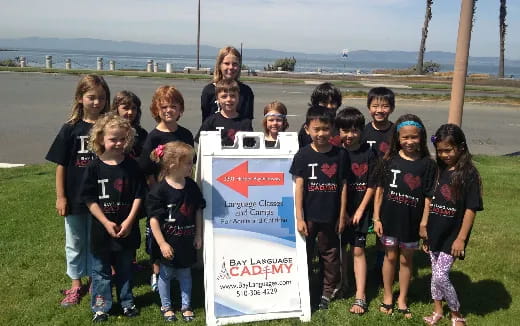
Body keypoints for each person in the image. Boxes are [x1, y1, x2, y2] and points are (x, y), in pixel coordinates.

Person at [45, 74, 110, 306]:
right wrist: (61, 196)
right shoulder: (70, 129)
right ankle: (76, 284)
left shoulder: (108, 128)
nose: (96, 102)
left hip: (101, 199)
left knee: (96, 240)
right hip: (74, 198)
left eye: (101, 98)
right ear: (80, 98)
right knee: (75, 241)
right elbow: (61, 165)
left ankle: (96, 279)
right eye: (91, 97)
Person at [80, 114, 145, 322]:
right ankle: (101, 306)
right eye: (113, 139)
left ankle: (127, 303)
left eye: (122, 139)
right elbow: (89, 199)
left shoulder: (132, 166)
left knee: (125, 268)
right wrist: (106, 222)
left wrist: (129, 221)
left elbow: (139, 195)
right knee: (101, 271)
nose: (118, 143)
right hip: (102, 230)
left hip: (126, 228)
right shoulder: (94, 167)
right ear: (101, 139)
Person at [373, 114, 436, 319]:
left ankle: (403, 299)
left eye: (414, 137)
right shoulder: (389, 160)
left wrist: (424, 223)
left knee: (407, 260)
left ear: (421, 137)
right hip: (389, 219)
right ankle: (389, 296)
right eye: (405, 138)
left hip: (412, 222)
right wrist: (376, 218)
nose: (409, 142)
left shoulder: (428, 164)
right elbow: (380, 191)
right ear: (397, 138)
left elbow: (428, 197)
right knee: (390, 256)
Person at [421, 124, 483, 326]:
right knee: (434, 273)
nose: (444, 154)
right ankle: (437, 310)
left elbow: (470, 209)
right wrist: (424, 226)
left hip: (453, 235)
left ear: (461, 148)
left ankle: (456, 314)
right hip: (434, 231)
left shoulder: (469, 174)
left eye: (448, 150)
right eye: (440, 151)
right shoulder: (437, 169)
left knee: (440, 276)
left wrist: (461, 239)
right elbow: (428, 199)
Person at [290, 105, 348, 310]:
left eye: (325, 129)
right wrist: (299, 217)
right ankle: (302, 287)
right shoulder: (303, 155)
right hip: (309, 216)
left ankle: (327, 290)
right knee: (304, 253)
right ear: (307, 129)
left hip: (330, 216)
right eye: (316, 129)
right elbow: (298, 187)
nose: (321, 133)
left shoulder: (340, 155)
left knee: (329, 254)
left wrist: (342, 216)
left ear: (332, 129)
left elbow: (343, 187)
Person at [138, 85, 194, 292]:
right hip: (160, 194)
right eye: (164, 106)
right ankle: (156, 272)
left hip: (182, 193)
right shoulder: (153, 137)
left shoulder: (186, 134)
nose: (169, 110)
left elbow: (191, 162)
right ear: (156, 109)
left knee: (179, 233)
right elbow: (146, 169)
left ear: (180, 109)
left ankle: (181, 271)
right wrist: (157, 191)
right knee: (157, 234)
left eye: (173, 106)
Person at [147, 142, 204, 322]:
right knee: (165, 275)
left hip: (186, 241)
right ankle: (166, 306)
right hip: (168, 243)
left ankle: (186, 306)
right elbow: (154, 220)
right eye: (187, 163)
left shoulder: (192, 187)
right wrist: (162, 243)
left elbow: (198, 211)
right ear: (173, 165)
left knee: (185, 274)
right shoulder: (159, 190)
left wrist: (198, 234)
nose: (191, 167)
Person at [335, 107, 377, 314]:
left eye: (354, 131)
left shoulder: (369, 154)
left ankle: (361, 295)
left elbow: (372, 185)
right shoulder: (337, 153)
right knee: (342, 249)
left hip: (361, 211)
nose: (349, 135)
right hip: (341, 211)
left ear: (361, 131)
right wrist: (342, 212)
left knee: (358, 250)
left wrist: (361, 210)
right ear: (338, 131)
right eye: (345, 130)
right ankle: (344, 284)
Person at [361, 87, 396, 283]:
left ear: (391, 108)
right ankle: (361, 258)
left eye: (384, 106)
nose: (379, 110)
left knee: (383, 227)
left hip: (388, 188)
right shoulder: (364, 131)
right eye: (375, 106)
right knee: (366, 225)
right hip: (367, 187)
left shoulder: (396, 132)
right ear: (368, 108)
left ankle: (381, 263)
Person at [201, 46, 254, 122]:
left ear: (239, 66)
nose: (231, 67)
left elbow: (248, 122)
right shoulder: (209, 91)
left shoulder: (246, 91)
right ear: (219, 65)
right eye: (226, 63)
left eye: (235, 64)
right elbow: (205, 121)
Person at [196, 79, 253, 146]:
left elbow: (251, 146)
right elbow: (201, 145)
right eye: (224, 96)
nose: (229, 99)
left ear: (238, 98)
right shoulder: (210, 121)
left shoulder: (245, 123)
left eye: (233, 96)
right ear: (217, 99)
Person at [298, 82, 342, 148]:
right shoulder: (309, 127)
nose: (329, 106)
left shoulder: (342, 124)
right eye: (324, 103)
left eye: (332, 103)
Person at [111, 90, 148, 159]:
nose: (130, 112)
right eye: (126, 108)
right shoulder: (109, 131)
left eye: (134, 108)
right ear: (116, 109)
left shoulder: (142, 133)